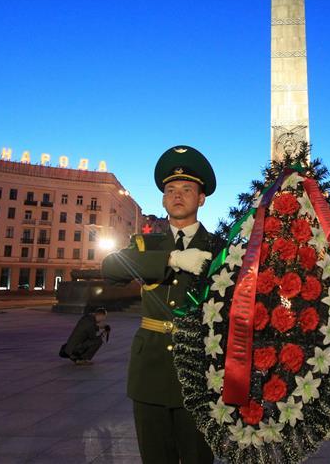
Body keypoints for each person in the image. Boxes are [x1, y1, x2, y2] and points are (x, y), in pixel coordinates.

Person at [102, 145, 223, 464]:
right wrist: (171, 259)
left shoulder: (220, 248)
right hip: (151, 370)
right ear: (163, 199)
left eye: (187, 189)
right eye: (171, 189)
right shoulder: (145, 245)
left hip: (200, 371)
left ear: (201, 198)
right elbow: (111, 268)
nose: (178, 195)